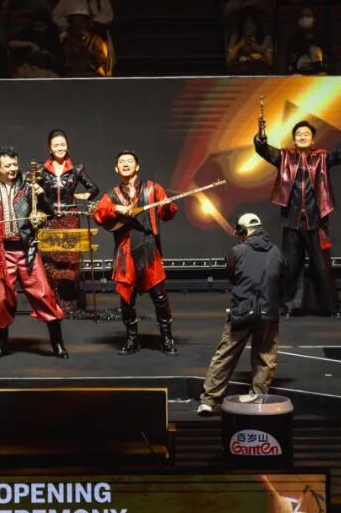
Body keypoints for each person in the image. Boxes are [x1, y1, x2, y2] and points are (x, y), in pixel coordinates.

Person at [255, 115, 341, 317]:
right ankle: (291, 306)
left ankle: (330, 308)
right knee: (291, 266)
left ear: (312, 140)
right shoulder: (284, 157)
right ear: (294, 139)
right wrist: (261, 135)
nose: (302, 136)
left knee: (321, 266)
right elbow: (263, 149)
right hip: (292, 221)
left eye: (306, 134)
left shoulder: (322, 158)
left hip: (317, 220)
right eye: (298, 134)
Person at [0, 147, 67, 359]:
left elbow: (51, 213)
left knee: (44, 294)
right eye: (8, 165)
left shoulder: (29, 186)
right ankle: (2, 345)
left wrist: (42, 195)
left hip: (26, 249)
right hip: (1, 252)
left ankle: (58, 344)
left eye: (15, 164)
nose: (13, 169)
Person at [92, 151, 178, 356]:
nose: (125, 164)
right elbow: (99, 214)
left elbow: (168, 214)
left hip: (149, 249)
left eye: (129, 161)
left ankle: (167, 338)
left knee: (160, 297)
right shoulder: (112, 195)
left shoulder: (153, 188)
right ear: (116, 168)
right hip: (125, 252)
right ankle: (132, 339)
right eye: (121, 161)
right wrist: (116, 208)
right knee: (127, 299)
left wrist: (167, 207)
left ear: (137, 166)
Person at [197, 214, 284, 415]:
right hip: (268, 312)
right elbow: (282, 279)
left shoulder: (237, 251)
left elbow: (231, 274)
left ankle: (209, 401)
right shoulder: (276, 252)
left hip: (242, 312)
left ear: (244, 232)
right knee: (265, 358)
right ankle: (258, 399)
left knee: (225, 356)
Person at [38, 130, 99, 314]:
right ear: (50, 148)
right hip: (49, 219)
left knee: (70, 260)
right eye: (56, 145)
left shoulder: (76, 169)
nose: (60, 148)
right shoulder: (41, 170)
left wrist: (86, 195)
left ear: (68, 146)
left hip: (70, 218)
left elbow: (94, 188)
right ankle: (53, 301)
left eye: (63, 144)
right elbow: (34, 195)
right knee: (51, 260)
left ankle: (69, 302)